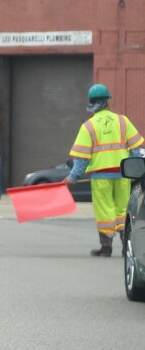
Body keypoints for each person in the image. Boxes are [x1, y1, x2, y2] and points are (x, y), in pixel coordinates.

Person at [66, 84, 145, 256]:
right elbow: (137, 148)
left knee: (104, 210)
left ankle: (106, 247)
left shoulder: (88, 126)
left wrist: (73, 176)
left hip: (101, 176)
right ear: (108, 101)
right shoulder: (122, 121)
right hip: (123, 173)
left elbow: (82, 158)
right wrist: (137, 168)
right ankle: (127, 246)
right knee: (123, 208)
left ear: (91, 103)